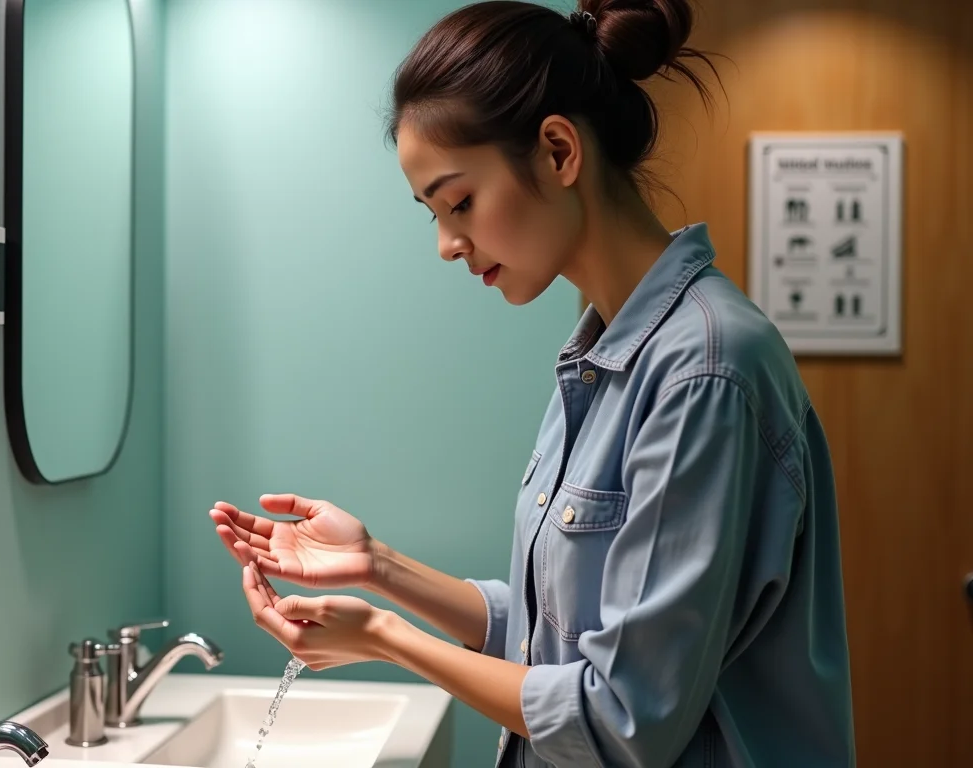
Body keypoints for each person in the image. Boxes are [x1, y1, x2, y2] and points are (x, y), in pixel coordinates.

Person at [209, 1, 856, 766]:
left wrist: (384, 637)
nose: (449, 245)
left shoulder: (705, 371)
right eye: (434, 217)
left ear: (557, 151)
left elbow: (623, 716)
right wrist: (378, 566)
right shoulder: (601, 360)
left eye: (459, 203)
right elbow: (560, 629)